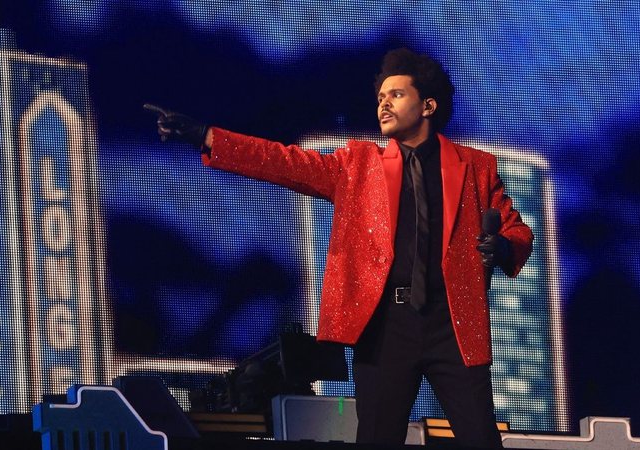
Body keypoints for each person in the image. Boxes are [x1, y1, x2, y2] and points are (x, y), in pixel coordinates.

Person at [147, 48, 533, 448]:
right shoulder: (358, 164)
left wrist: (503, 249)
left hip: (450, 323)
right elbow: (285, 163)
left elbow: (518, 231)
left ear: (428, 106)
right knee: (377, 437)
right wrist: (209, 136)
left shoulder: (476, 167)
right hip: (386, 325)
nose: (383, 104)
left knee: (481, 439)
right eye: (380, 97)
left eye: (396, 95)